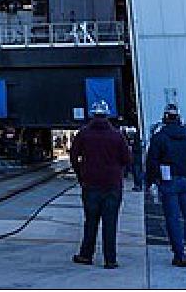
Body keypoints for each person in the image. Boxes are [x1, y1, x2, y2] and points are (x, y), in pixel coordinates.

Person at [69, 101, 130, 269]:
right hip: (112, 185)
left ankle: (86, 255)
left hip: (91, 185)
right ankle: (110, 259)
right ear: (108, 115)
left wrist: (81, 175)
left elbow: (73, 157)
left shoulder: (83, 134)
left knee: (91, 221)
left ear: (92, 115)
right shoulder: (117, 135)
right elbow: (127, 159)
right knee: (110, 223)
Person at [145, 106, 186, 268]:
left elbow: (152, 161)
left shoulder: (159, 138)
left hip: (168, 181)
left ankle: (179, 255)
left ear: (165, 119)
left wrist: (150, 181)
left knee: (172, 219)